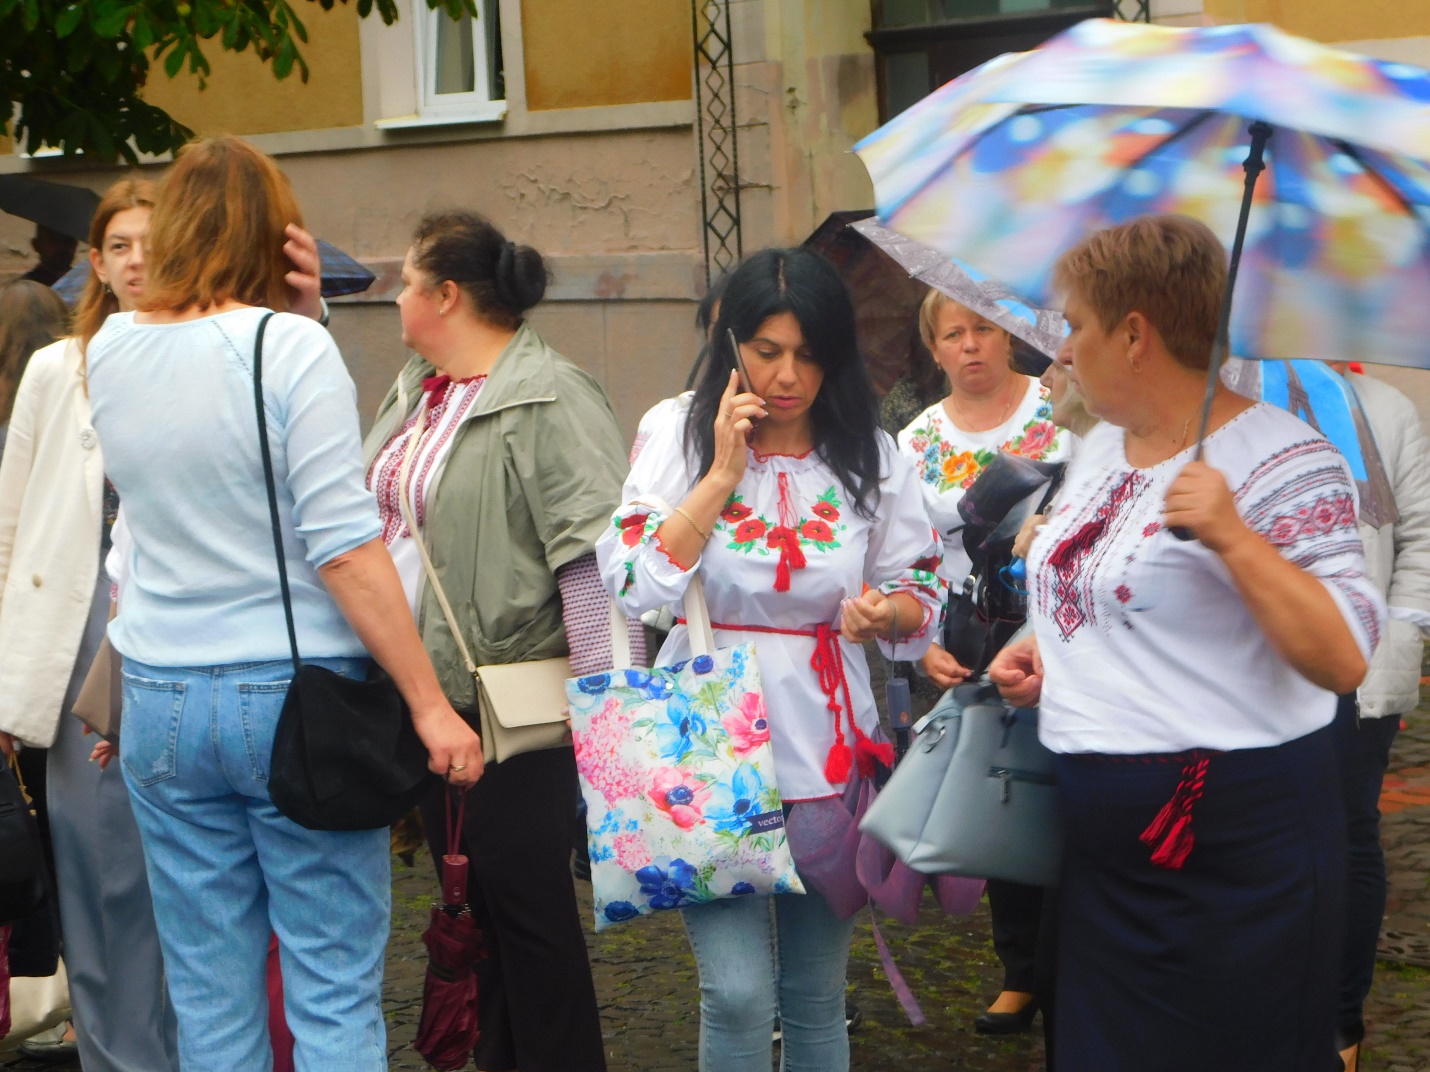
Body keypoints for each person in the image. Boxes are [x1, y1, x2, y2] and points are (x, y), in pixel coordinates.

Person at [83, 135, 482, 1072]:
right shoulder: (289, 346)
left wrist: (294, 325)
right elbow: (342, 545)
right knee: (331, 992)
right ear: (279, 233)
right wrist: (429, 704)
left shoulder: (109, 347)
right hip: (293, 701)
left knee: (210, 994)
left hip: (162, 696)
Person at [989, 214, 1384, 1072]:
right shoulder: (1097, 450)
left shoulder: (1283, 458)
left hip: (1233, 852)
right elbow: (1113, 597)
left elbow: (1345, 655)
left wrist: (1236, 538)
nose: (1063, 349)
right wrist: (1048, 654)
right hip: (1098, 848)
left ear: (1134, 334)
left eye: (1077, 326)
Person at [597, 247, 946, 1072]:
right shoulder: (674, 431)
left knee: (817, 999)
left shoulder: (873, 454)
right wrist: (721, 472)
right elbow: (635, 583)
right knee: (739, 991)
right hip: (705, 750)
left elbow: (921, 594)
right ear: (731, 342)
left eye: (809, 353)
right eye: (766, 350)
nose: (788, 375)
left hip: (829, 748)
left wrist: (880, 613)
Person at [363, 210, 634, 1072]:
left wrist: (604, 726)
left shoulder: (548, 393)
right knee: (478, 914)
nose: (395, 298)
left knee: (530, 918)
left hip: (520, 706)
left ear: (446, 295)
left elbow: (592, 565)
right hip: (434, 697)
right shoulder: (417, 385)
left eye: (406, 281)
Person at [895, 289, 1073, 1036]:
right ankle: (1020, 970)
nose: (970, 345)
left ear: (1011, 338)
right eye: (953, 334)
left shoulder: (1059, 408)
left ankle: (1071, 962)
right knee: (996, 791)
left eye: (984, 330)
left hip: (1055, 629)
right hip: (961, 635)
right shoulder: (915, 440)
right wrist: (920, 641)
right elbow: (906, 551)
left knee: (1064, 791)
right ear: (933, 349)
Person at [1327, 364, 1430, 1072]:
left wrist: (1397, 638)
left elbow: (1421, 539)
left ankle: (1338, 1021)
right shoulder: (1230, 396)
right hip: (1249, 670)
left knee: (1348, 835)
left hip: (1358, 669)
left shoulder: (1384, 408)